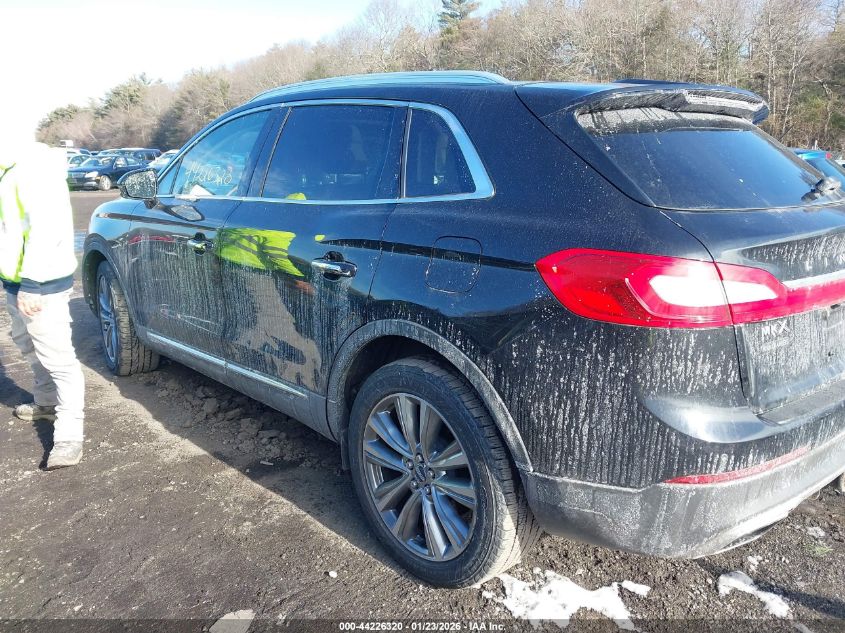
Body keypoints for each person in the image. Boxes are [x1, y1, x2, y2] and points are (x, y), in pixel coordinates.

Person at [0, 130, 84, 469]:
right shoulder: (8, 170)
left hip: (40, 283)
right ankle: (46, 402)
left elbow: (46, 230)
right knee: (27, 346)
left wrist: (32, 283)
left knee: (59, 359)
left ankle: (69, 436)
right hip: (15, 282)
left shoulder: (35, 169)